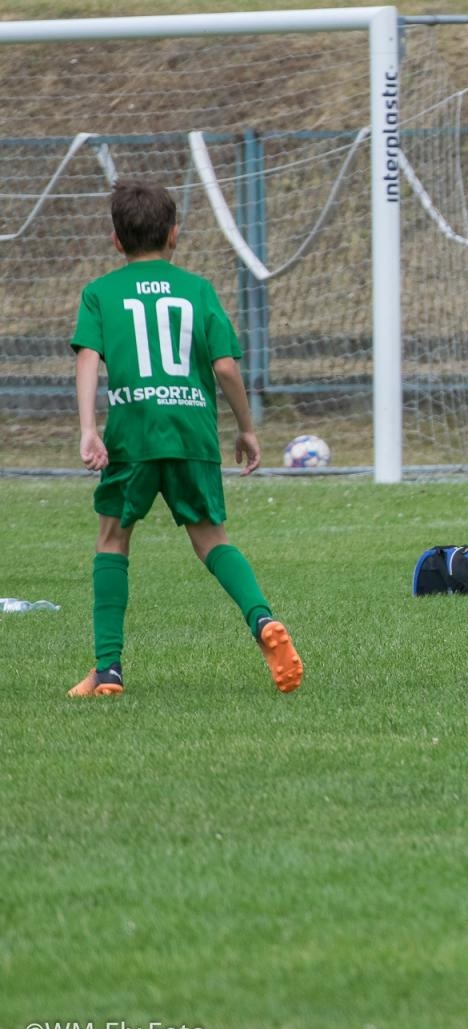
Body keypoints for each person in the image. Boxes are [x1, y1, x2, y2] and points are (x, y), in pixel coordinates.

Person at [69, 180, 302, 697]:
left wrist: (88, 428)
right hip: (193, 432)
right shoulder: (198, 290)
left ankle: (108, 669)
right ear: (175, 234)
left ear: (115, 240)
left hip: (131, 435)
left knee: (112, 540)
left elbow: (87, 356)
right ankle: (263, 621)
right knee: (212, 539)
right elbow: (224, 366)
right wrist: (245, 427)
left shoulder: (100, 293)